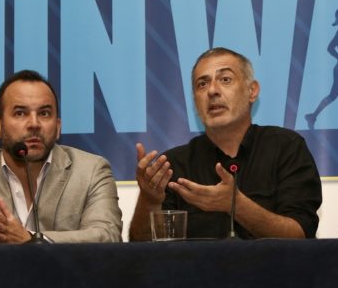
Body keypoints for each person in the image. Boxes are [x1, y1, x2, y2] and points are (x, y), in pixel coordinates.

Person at [129, 47, 322, 240]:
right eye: (202, 84)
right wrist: (149, 200)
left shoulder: (286, 148)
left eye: (225, 79)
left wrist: (237, 205)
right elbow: (141, 247)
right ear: (195, 101)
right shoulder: (173, 165)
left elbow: (301, 235)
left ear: (252, 91)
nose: (212, 90)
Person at [0, 70, 123, 243]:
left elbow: (107, 235)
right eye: (20, 113)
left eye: (44, 113)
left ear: (58, 127)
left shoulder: (91, 171)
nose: (34, 124)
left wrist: (31, 239)